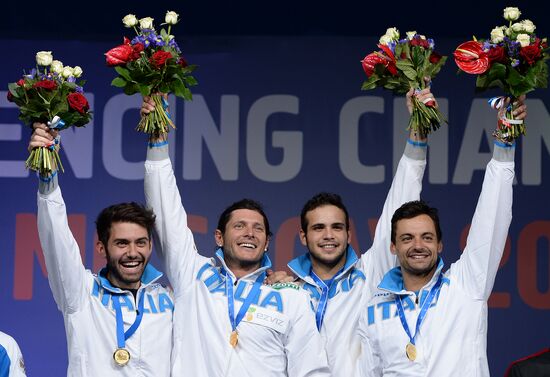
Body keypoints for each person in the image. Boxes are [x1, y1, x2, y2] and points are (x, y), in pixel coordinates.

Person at [141, 96, 330, 377]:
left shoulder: (291, 296)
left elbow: (311, 368)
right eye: (239, 226)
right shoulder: (192, 274)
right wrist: (158, 141)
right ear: (219, 236)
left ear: (267, 241)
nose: (249, 233)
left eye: (258, 229)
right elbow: (165, 211)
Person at [355, 97, 526, 376]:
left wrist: (505, 144)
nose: (418, 245)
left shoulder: (465, 285)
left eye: (427, 237)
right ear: (393, 247)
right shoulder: (374, 309)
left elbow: (492, 219)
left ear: (440, 244)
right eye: (407, 238)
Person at [286, 87, 434, 377]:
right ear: (303, 237)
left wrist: (418, 133)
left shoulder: (371, 274)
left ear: (349, 234)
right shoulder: (286, 289)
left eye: (337, 227)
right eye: (318, 228)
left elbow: (401, 201)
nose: (329, 235)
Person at [30, 124, 174, 376]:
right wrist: (47, 177)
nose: (132, 252)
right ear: (101, 247)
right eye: (122, 243)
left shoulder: (171, 300)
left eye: (140, 242)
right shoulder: (82, 293)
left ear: (151, 245)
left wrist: (267, 282)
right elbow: (57, 240)